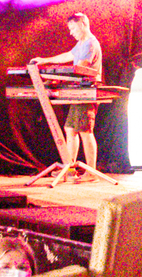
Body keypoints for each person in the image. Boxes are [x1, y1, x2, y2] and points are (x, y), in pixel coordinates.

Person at [41, 9, 103, 172]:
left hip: (85, 92)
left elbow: (80, 68)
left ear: (83, 24)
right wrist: (45, 60)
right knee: (71, 129)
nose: (71, 33)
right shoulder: (82, 43)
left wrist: (59, 76)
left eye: (73, 29)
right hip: (78, 92)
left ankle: (91, 172)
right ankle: (69, 169)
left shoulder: (90, 43)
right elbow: (69, 55)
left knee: (85, 131)